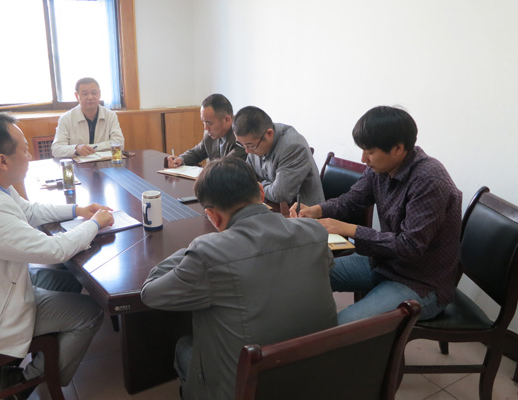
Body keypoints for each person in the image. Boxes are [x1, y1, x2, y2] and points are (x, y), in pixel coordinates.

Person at [0, 113, 115, 399]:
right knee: (89, 312)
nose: (29, 155)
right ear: (2, 160)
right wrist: (95, 224)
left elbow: (28, 211)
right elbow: (54, 250)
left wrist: (78, 211)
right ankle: (26, 383)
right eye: (24, 150)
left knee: (68, 279)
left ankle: (31, 359)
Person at [141, 157, 337, 400]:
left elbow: (150, 293)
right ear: (261, 192)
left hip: (247, 389)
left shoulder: (207, 253)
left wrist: (194, 247)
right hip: (316, 377)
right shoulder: (314, 231)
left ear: (212, 216)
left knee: (184, 347)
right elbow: (325, 268)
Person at [290, 106, 462, 325]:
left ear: (398, 148)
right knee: (302, 275)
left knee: (341, 328)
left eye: (369, 152)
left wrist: (349, 229)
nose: (364, 159)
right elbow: (352, 200)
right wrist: (317, 210)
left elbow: (409, 246)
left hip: (421, 282)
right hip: (384, 263)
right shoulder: (381, 168)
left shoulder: (429, 181)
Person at [233, 106, 325, 206]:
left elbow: (280, 194)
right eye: (242, 145)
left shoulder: (293, 147)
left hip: (301, 211)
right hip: (270, 205)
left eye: (250, 146)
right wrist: (262, 185)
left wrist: (256, 185)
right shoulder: (254, 141)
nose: (247, 151)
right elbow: (245, 178)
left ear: (269, 134)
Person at [166, 94, 246, 168]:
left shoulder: (242, 136)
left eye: (209, 123)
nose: (205, 128)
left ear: (227, 120)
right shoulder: (210, 134)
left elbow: (226, 167)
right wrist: (181, 159)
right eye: (203, 122)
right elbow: (197, 152)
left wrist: (207, 168)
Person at [51, 77, 125, 158]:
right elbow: (56, 149)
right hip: (78, 164)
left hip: (104, 163)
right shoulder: (66, 118)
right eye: (85, 94)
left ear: (99, 94)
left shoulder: (110, 115)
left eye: (94, 93)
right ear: (77, 96)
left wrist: (89, 148)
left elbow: (119, 143)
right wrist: (76, 148)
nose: (90, 97)